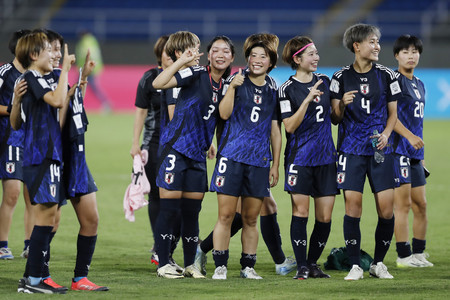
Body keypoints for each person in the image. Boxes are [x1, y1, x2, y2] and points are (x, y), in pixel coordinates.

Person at [195, 33, 296, 278]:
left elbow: (275, 130)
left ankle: (248, 267)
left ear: (271, 62)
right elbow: (224, 114)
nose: (257, 60)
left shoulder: (274, 89)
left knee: (250, 218)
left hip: (259, 162)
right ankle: (220, 265)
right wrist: (231, 89)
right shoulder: (235, 80)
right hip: (231, 158)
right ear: (247, 59)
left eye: (263, 56)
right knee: (227, 215)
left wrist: (275, 164)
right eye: (253, 56)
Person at [152, 31, 234, 279]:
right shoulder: (195, 73)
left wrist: (213, 144)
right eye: (216, 50)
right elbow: (159, 83)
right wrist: (180, 62)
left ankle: (190, 265)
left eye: (226, 51)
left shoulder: (227, 85)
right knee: (169, 208)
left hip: (198, 155)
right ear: (208, 55)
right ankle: (163, 263)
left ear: (232, 58)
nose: (220, 55)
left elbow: (221, 120)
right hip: (175, 149)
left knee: (191, 211)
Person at [330, 23, 400, 280]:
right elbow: (334, 118)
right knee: (353, 206)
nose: (377, 46)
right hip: (350, 150)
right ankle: (355, 265)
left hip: (380, 149)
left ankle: (378, 263)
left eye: (377, 42)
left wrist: (386, 134)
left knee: (386, 209)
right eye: (372, 42)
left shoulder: (387, 75)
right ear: (357, 46)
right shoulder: (339, 77)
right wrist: (342, 106)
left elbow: (394, 114)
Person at [11, 31, 75, 294]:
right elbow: (58, 101)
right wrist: (66, 71)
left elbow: (16, 122)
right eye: (49, 50)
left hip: (43, 156)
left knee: (45, 218)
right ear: (34, 55)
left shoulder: (30, 81)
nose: (55, 55)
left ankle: (30, 278)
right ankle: (34, 281)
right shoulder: (33, 77)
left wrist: (15, 101)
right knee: (45, 219)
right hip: (42, 157)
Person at [278, 36, 338, 280]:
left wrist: (340, 105)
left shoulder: (325, 81)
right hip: (299, 159)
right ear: (297, 59)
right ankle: (302, 266)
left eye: (316, 53)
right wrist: (306, 100)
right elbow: (290, 126)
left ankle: (313, 264)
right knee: (301, 212)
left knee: (324, 216)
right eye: (311, 54)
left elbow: (335, 118)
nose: (316, 58)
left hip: (326, 159)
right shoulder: (286, 89)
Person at [130, 35, 184, 268]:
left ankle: (168, 243)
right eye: (167, 53)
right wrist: (135, 144)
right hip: (153, 144)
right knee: (157, 196)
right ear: (159, 54)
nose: (171, 56)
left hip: (181, 145)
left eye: (175, 53)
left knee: (180, 199)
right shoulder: (150, 78)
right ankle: (158, 244)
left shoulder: (184, 77)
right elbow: (141, 112)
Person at [391, 35, 433, 268]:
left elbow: (418, 123)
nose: (411, 55)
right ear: (397, 55)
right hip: (398, 151)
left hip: (415, 154)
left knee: (421, 204)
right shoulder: (394, 81)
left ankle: (418, 253)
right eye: (406, 52)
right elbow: (390, 116)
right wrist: (408, 137)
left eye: (415, 51)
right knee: (403, 205)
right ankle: (403, 255)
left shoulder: (419, 83)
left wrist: (421, 155)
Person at [0, 29, 34, 260]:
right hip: (8, 139)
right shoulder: (4, 72)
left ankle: (30, 244)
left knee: (32, 196)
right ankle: (2, 244)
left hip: (32, 141)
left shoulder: (37, 75)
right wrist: (13, 110)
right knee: (11, 194)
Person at [75, 30, 111, 112]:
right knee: (81, 86)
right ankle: (106, 103)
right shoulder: (92, 40)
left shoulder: (86, 41)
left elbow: (86, 54)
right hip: (91, 68)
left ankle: (106, 103)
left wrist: (87, 67)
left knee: (79, 86)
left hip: (87, 69)